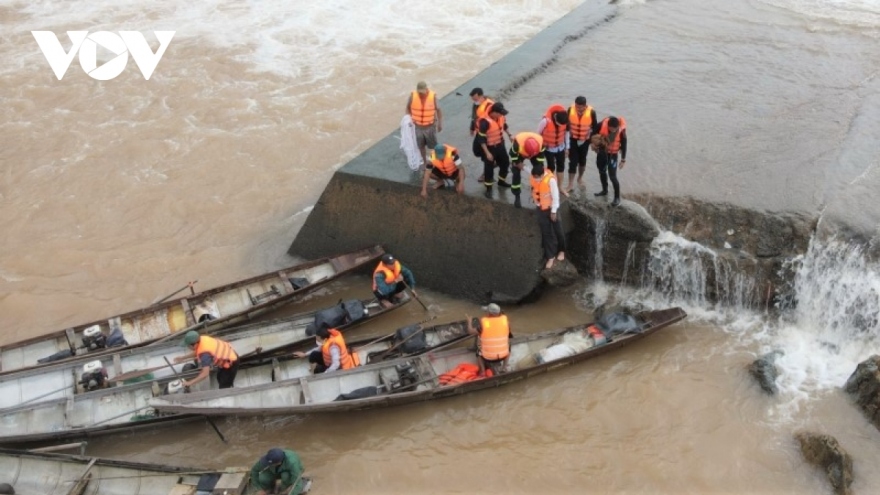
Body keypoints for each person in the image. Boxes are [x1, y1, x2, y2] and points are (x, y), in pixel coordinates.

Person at [174, 331, 239, 389]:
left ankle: (228, 392)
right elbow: (198, 351)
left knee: (224, 386)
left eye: (188, 346)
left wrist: (189, 383)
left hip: (231, 363)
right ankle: (228, 384)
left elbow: (205, 374)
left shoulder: (205, 355)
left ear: (194, 345)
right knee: (219, 377)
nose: (188, 347)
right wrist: (183, 358)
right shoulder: (201, 339)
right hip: (229, 355)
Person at [530, 165, 566, 269]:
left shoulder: (551, 181)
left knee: (558, 231)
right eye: (534, 176)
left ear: (542, 175)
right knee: (546, 233)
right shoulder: (533, 176)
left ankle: (562, 251)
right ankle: (550, 256)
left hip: (552, 208)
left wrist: (554, 212)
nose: (536, 178)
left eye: (537, 176)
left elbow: (555, 197)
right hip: (541, 208)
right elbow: (526, 168)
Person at [475, 102, 512, 199]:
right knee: (489, 169)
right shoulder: (484, 122)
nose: (501, 115)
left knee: (505, 163)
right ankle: (488, 188)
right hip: (489, 148)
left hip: (500, 145)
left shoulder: (500, 117)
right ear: (494, 112)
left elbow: (504, 125)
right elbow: (481, 139)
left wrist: (509, 135)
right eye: (500, 113)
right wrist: (487, 153)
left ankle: (501, 181)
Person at [405, 81, 443, 167]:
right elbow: (407, 108)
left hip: (430, 127)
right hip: (417, 127)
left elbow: (439, 110)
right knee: (420, 146)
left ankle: (435, 162)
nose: (421, 94)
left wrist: (440, 123)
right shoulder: (412, 96)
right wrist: (408, 120)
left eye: (422, 92)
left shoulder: (433, 97)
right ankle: (425, 162)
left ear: (426, 89)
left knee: (433, 146)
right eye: (419, 92)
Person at [592, 115, 628, 207]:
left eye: (614, 129)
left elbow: (624, 144)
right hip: (602, 152)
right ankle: (604, 190)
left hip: (613, 155)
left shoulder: (621, 131)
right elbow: (592, 134)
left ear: (617, 127)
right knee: (602, 172)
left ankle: (617, 198)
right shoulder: (601, 125)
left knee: (613, 176)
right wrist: (593, 144)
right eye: (610, 129)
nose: (612, 131)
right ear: (608, 125)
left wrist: (623, 160)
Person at [466, 303, 511, 375]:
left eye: (487, 311)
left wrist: (469, 322)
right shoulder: (505, 321)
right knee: (508, 345)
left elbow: (470, 331)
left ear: (489, 313)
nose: (486, 313)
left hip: (488, 357)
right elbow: (508, 334)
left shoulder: (484, 323)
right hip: (503, 356)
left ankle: (483, 370)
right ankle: (504, 367)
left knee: (478, 348)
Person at [566, 96, 598, 191]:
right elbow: (566, 125)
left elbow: (595, 127)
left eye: (580, 107)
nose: (578, 109)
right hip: (573, 139)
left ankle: (580, 178)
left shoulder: (591, 112)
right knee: (573, 162)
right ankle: (570, 184)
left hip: (585, 140)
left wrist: (591, 140)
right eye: (576, 106)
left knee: (582, 160)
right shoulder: (570, 110)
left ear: (585, 106)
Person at [508, 132, 546, 208]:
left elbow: (541, 158)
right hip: (520, 154)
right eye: (528, 156)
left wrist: (538, 167)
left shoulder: (541, 144)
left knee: (538, 172)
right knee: (516, 173)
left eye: (530, 156)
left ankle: (537, 192)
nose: (529, 158)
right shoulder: (517, 145)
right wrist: (518, 163)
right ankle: (517, 195)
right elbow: (512, 154)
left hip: (535, 154)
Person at [537, 104, 569, 177]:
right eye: (559, 124)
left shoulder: (565, 120)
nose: (560, 126)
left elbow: (567, 135)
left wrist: (567, 148)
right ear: (555, 118)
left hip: (560, 147)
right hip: (548, 148)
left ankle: (559, 186)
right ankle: (550, 182)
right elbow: (538, 133)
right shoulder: (545, 121)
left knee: (561, 166)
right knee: (551, 166)